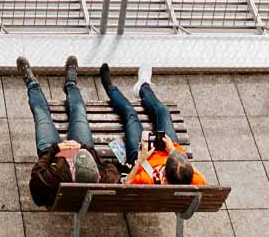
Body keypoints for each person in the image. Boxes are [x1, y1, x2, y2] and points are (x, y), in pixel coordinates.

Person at [16, 53, 117, 204]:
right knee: (79, 112)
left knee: (41, 114)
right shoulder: (103, 178)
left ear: (73, 171)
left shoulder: (55, 180)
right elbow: (112, 169)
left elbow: (37, 174)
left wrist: (55, 148)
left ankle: (32, 83)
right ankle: (71, 84)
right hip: (81, 145)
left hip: (51, 150)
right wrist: (83, 148)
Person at [114, 64, 207, 186]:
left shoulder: (147, 180)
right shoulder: (192, 181)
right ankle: (143, 87)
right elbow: (203, 180)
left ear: (164, 175)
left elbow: (126, 184)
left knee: (131, 117)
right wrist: (173, 151)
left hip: (142, 157)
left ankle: (139, 88)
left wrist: (141, 159)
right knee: (163, 112)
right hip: (167, 153)